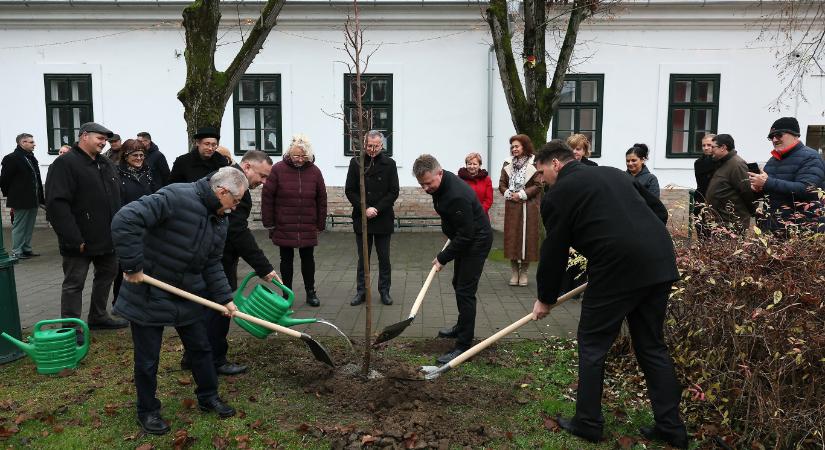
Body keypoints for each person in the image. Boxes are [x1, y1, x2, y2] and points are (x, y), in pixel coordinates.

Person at [531, 140, 687, 449]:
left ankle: (588, 422)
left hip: (617, 269)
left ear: (556, 164)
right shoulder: (613, 173)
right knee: (651, 346)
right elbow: (658, 210)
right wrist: (637, 244)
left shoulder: (558, 195)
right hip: (659, 261)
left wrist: (545, 298)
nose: (541, 179)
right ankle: (672, 428)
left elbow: (554, 251)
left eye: (541, 171)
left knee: (592, 344)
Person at [112, 166, 246, 435]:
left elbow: (212, 263)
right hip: (149, 293)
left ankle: (208, 397)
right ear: (222, 192)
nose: (237, 206)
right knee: (148, 359)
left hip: (188, 293)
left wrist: (225, 299)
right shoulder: (175, 197)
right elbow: (125, 219)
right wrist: (132, 265)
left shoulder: (220, 219)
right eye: (237, 200)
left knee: (201, 348)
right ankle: (147, 411)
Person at [200, 150, 280, 376]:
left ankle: (196, 355)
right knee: (220, 309)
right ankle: (215, 360)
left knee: (204, 308)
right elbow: (237, 232)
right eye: (262, 176)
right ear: (246, 167)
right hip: (217, 260)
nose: (263, 183)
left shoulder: (221, 177)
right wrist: (264, 268)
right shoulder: (237, 189)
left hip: (208, 257)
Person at [45, 122, 128, 338]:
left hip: (107, 236)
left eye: (105, 139)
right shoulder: (65, 164)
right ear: (84, 136)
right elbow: (57, 204)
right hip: (79, 239)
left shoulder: (105, 163)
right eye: (99, 138)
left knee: (107, 275)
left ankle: (98, 316)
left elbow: (117, 196)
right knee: (74, 283)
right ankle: (71, 327)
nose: (103, 143)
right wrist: (73, 238)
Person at [413, 154, 493, 365]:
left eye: (428, 183)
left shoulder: (456, 194)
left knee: (465, 291)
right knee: (458, 283)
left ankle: (464, 344)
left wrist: (442, 258)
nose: (426, 188)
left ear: (439, 173)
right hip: (464, 236)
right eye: (422, 184)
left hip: (476, 241)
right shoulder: (440, 185)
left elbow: (467, 235)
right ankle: (461, 326)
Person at [261, 134, 327, 307]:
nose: (299, 159)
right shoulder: (278, 169)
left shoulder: (315, 171)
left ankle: (311, 293)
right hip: (284, 223)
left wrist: (320, 223)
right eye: (296, 156)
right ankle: (286, 293)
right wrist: (269, 223)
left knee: (308, 260)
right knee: (286, 261)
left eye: (303, 156)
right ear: (289, 153)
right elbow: (267, 197)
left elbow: (321, 199)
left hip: (307, 223)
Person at [345, 130, 400, 307]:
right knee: (363, 258)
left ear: (382, 145)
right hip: (363, 218)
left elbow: (394, 191)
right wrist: (365, 208)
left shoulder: (390, 164)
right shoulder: (356, 163)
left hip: (382, 217)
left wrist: (376, 208)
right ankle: (361, 291)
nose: (373, 149)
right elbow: (350, 190)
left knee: (384, 258)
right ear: (364, 144)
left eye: (376, 146)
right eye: (369, 145)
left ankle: (385, 291)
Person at [748, 117, 825, 233]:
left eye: (778, 135)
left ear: (795, 135)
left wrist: (767, 183)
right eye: (771, 137)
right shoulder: (772, 160)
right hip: (773, 228)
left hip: (801, 229)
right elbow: (771, 192)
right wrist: (758, 190)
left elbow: (808, 189)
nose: (774, 139)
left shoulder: (811, 157)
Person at [112, 139, 161, 302]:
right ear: (125, 156)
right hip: (127, 225)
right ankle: (119, 300)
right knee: (125, 266)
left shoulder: (148, 172)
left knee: (148, 264)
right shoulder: (117, 174)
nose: (139, 158)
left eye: (141, 155)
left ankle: (145, 298)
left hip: (148, 225)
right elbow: (116, 200)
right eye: (135, 155)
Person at [499, 134, 541, 287]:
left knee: (527, 239)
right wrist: (509, 193)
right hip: (512, 206)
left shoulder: (534, 162)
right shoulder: (507, 163)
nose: (514, 149)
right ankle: (514, 272)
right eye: (512, 146)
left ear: (525, 146)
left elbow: (538, 185)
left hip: (529, 207)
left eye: (517, 146)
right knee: (512, 238)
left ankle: (524, 272)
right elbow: (502, 184)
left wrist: (522, 194)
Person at [1, 133, 45, 260]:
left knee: (29, 225)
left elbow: (36, 178)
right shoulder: (11, 158)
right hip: (20, 199)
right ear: (22, 143)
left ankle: (26, 249)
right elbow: (4, 179)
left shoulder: (31, 157)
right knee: (19, 226)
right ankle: (17, 251)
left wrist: (40, 197)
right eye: (31, 142)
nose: (34, 144)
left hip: (33, 198)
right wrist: (12, 195)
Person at [704, 134, 754, 234]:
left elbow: (747, 192)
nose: (710, 150)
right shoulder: (722, 162)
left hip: (731, 224)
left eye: (713, 147)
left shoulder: (737, 164)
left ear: (723, 148)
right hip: (719, 222)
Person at [693, 134, 717, 239]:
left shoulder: (721, 162)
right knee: (702, 234)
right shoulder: (698, 162)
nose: (706, 148)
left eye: (709, 145)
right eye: (703, 145)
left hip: (715, 202)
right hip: (701, 200)